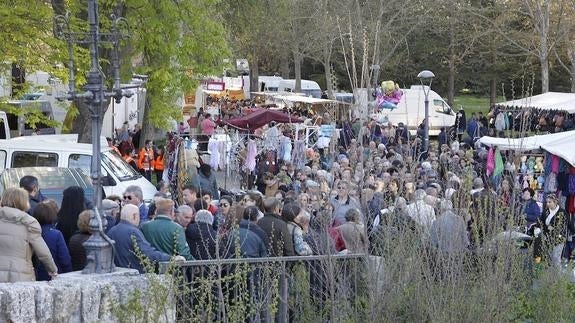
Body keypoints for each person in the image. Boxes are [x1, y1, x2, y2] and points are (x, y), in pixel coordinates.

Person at [0, 187, 58, 282]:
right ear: (23, 201)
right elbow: (43, 253)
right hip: (20, 277)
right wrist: (52, 270)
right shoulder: (29, 223)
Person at [107, 204, 179, 273]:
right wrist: (170, 258)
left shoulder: (111, 231)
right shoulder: (133, 232)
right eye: (139, 215)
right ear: (134, 216)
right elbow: (148, 253)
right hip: (135, 275)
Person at [33, 202, 72, 280]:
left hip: (35, 276)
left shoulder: (31, 233)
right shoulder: (56, 234)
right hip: (55, 275)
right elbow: (65, 260)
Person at [531, 194, 568, 263]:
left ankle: (557, 273)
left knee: (556, 258)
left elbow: (563, 225)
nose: (547, 204)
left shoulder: (562, 212)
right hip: (547, 237)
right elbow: (540, 222)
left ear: (555, 202)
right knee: (548, 257)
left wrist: (549, 227)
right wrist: (537, 227)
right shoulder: (546, 211)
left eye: (550, 202)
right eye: (547, 202)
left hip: (558, 238)